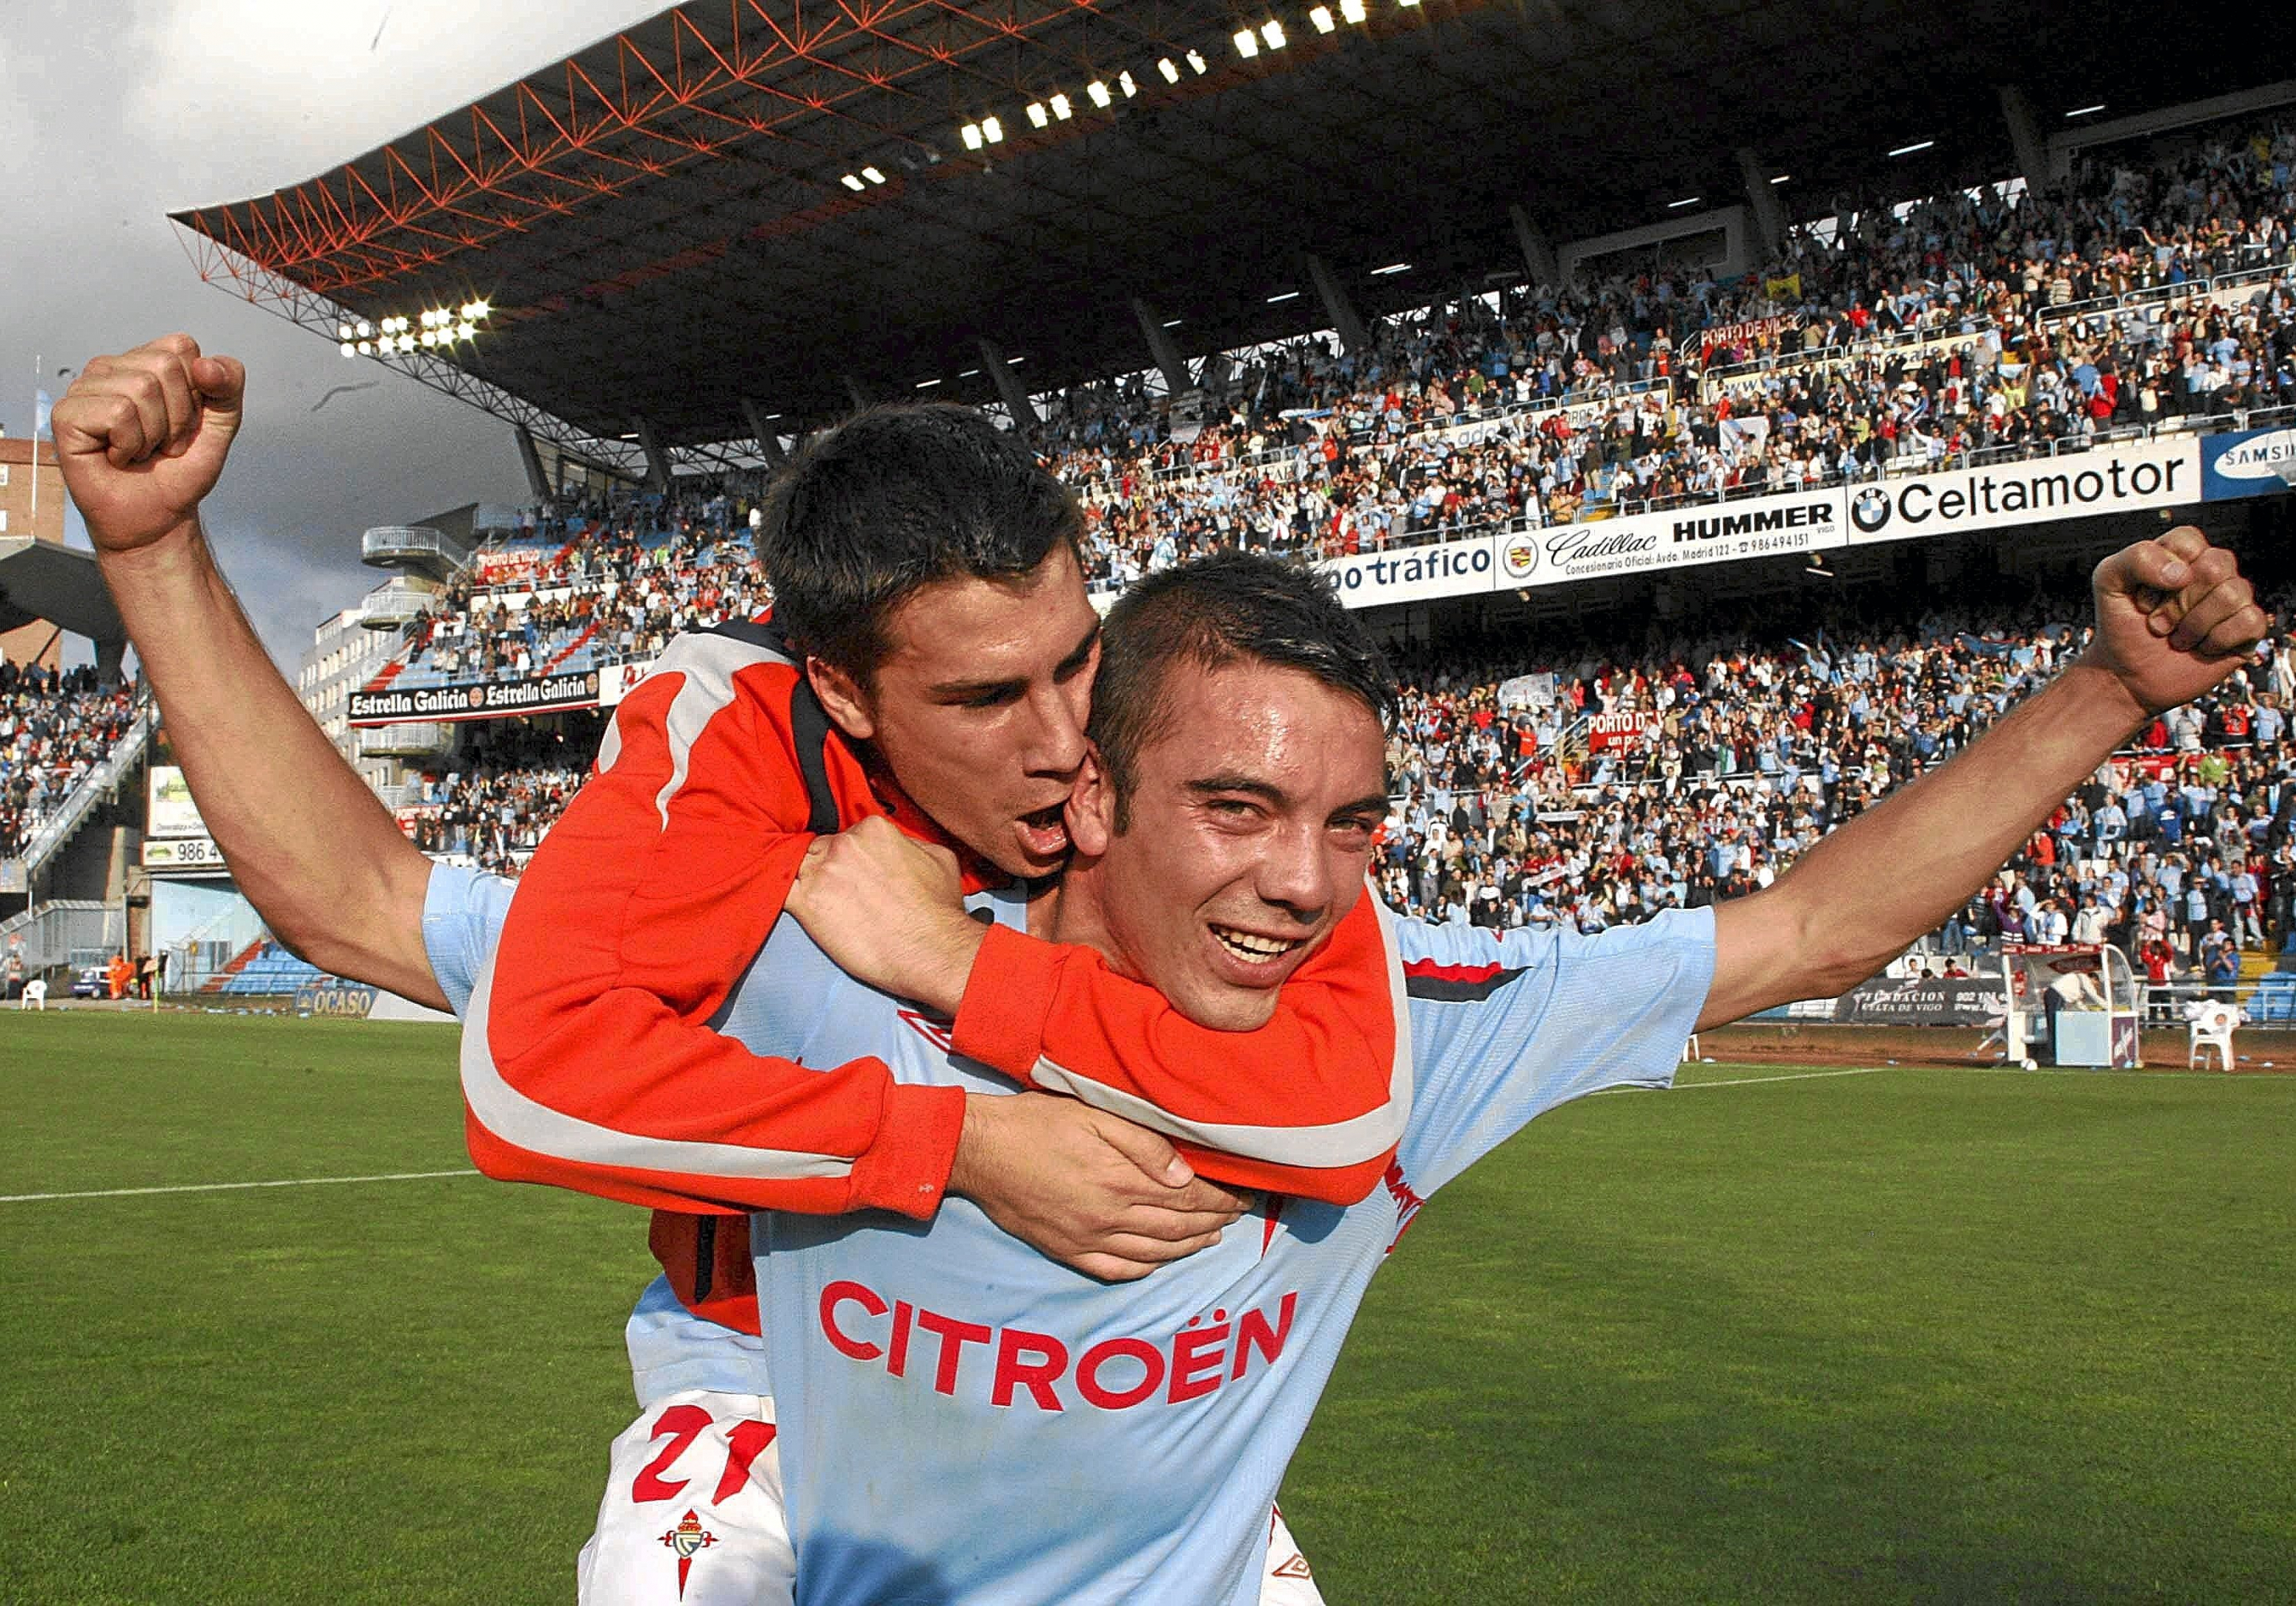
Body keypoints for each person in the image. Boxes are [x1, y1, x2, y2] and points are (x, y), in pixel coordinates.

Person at [458, 516, 2253, 1601]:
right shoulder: (831, 950)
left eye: (1351, 824)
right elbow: (374, 900)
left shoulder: (1415, 1018)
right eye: (1235, 808)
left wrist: (2102, 692)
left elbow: (1809, 934)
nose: (1301, 883)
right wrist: (158, 547)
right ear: (1093, 794)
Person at [54, 336, 1375, 1605]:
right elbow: (375, 912)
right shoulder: (729, 813)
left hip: (1112, 1405)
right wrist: (960, 1142)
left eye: (1076, 660)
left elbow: (1335, 1099)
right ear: (846, 697)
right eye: (983, 698)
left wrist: (949, 958)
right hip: (776, 1402)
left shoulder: (1202, 783)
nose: (1060, 734)